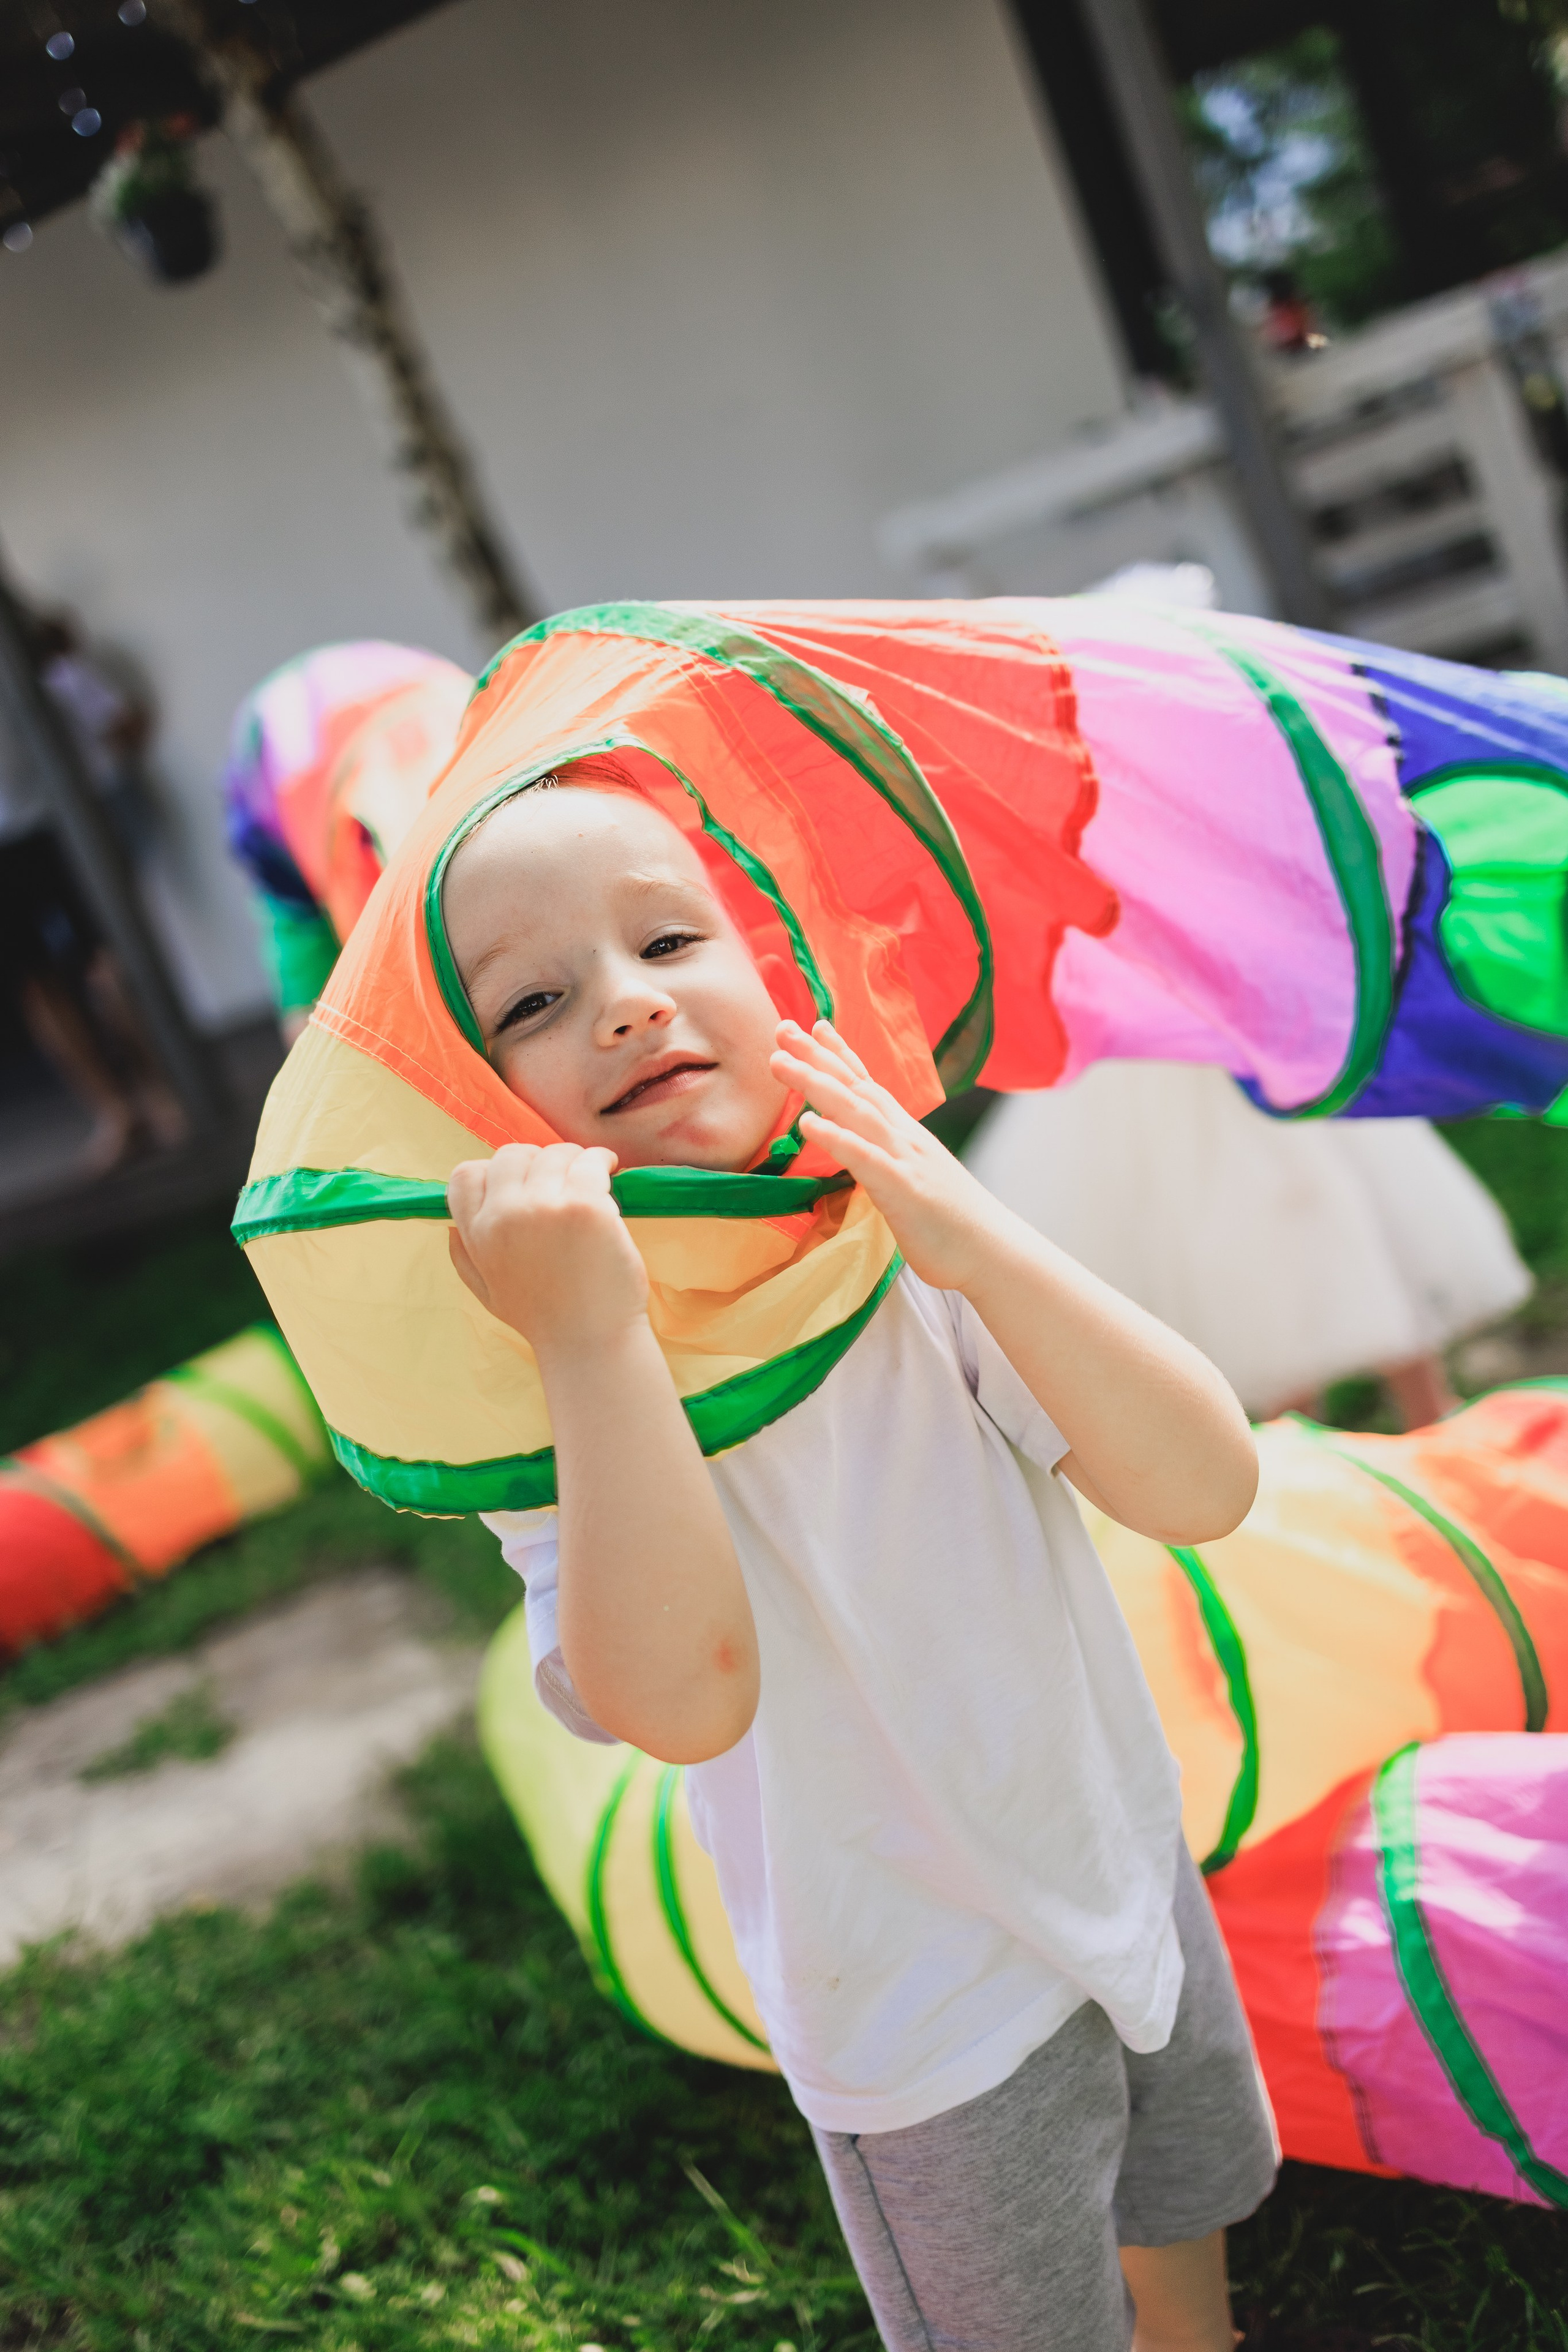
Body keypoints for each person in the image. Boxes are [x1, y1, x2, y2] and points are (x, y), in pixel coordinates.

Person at [441, 769, 1273, 2352]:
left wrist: (967, 1230)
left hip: (1116, 1853)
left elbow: (1207, 1481)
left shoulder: (891, 1244)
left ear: (776, 976)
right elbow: (682, 1696)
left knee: (1186, 2198)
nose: (623, 1007)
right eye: (535, 1000)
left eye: (670, 939)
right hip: (917, 2013)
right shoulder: (540, 1388)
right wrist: (594, 1334)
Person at [962, 1063, 1532, 1430]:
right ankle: (1307, 1444)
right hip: (1145, 1057)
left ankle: (1420, 1419)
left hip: (1242, 1038)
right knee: (1244, 1227)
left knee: (1331, 1199)